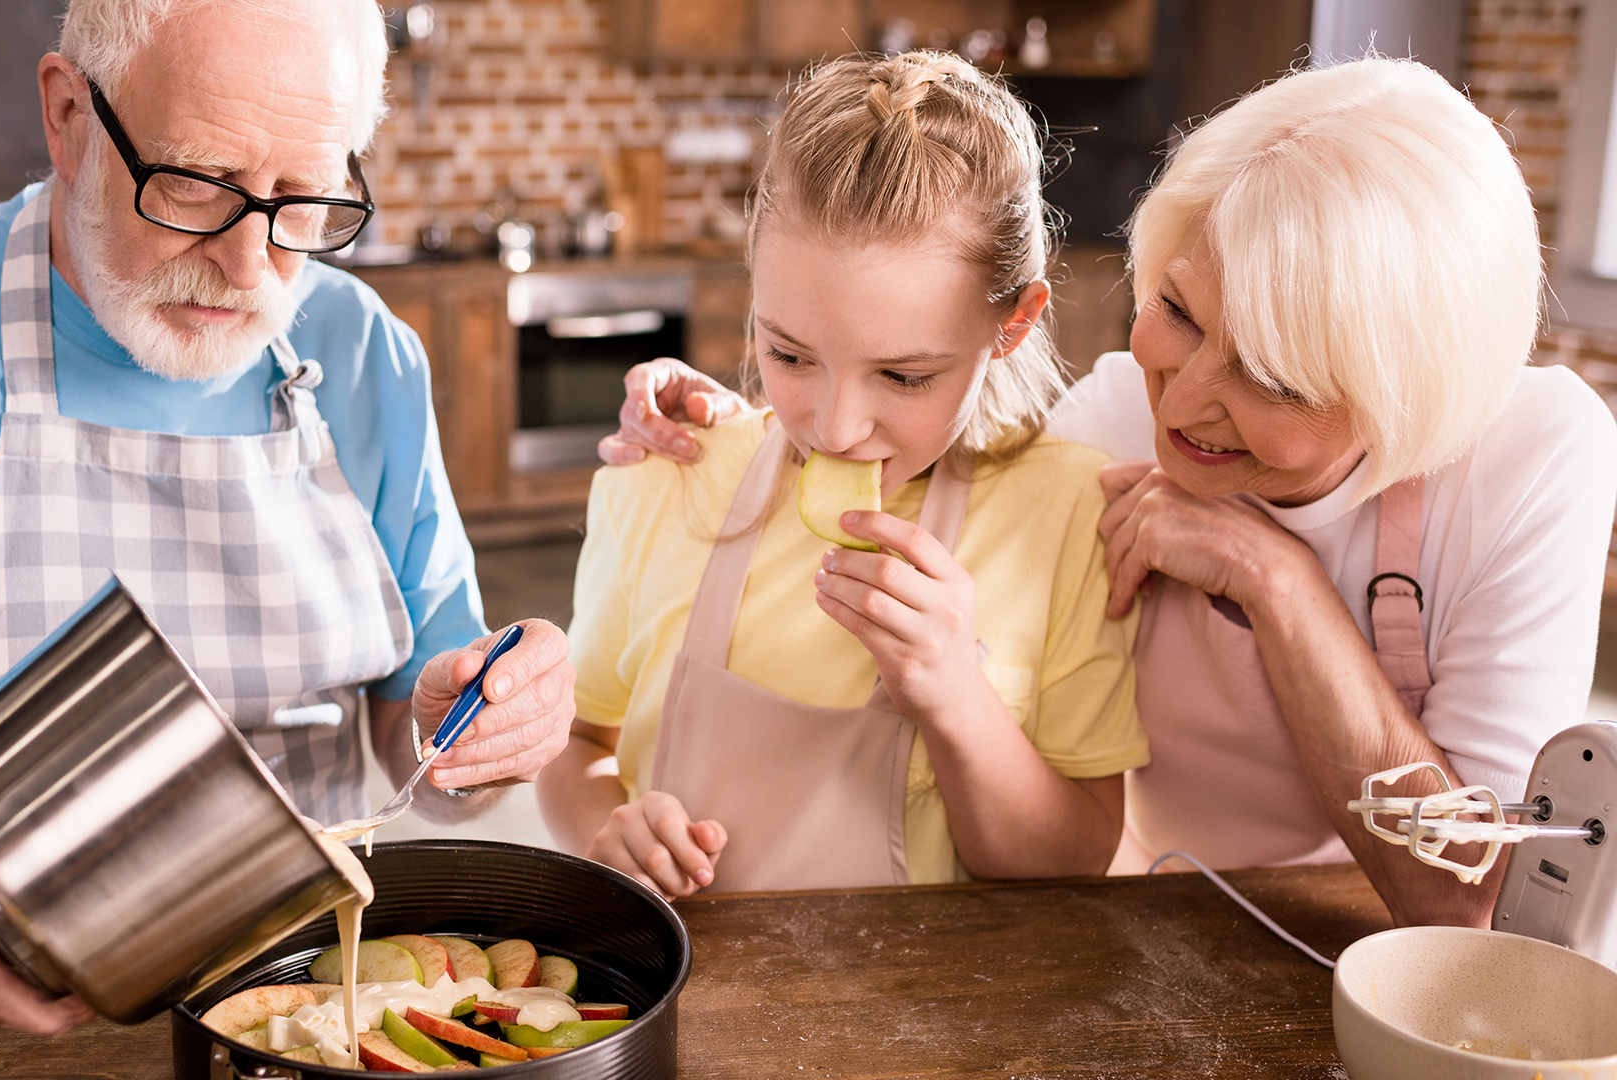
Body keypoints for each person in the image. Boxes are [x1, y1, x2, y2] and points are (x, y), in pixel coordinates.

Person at [0, 0, 575, 1034]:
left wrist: (477, 726)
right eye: (198, 186)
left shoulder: (360, 348)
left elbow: (416, 730)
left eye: (303, 201)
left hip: (311, 1020)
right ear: (68, 114)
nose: (250, 272)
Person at [602, 58, 1617, 926]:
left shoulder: (1532, 458)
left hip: (1386, 973)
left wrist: (1277, 579)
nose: (1184, 399)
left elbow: (1467, 899)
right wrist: (721, 424)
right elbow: (912, 414)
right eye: (1175, 308)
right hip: (1149, 932)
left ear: (1403, 397)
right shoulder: (1113, 422)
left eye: (1271, 377)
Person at [536, 52, 1149, 901]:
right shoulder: (665, 474)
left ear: (1012, 320)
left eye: (904, 376)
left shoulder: (1072, 514)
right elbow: (578, 747)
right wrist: (608, 839)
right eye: (789, 353)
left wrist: (955, 698)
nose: (835, 427)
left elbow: (1075, 858)